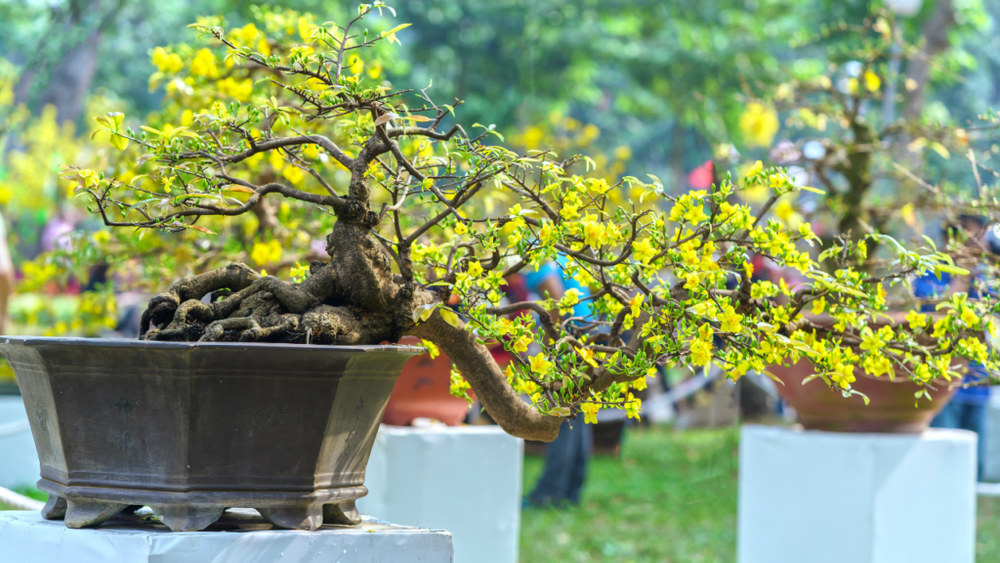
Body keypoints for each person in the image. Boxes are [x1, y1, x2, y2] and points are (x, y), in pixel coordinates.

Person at [918, 216, 993, 479]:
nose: (979, 247)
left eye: (982, 240)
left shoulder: (986, 278)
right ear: (949, 240)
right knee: (944, 466)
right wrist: (964, 273)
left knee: (975, 469)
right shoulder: (930, 272)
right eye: (972, 239)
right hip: (943, 382)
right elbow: (941, 309)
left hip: (977, 383)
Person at [522, 259, 594, 507]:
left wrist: (549, 348)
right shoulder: (559, 253)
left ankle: (548, 493)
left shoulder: (532, 252)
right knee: (576, 416)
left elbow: (555, 298)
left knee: (561, 415)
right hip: (587, 331)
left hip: (569, 336)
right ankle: (570, 491)